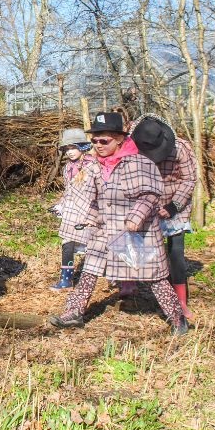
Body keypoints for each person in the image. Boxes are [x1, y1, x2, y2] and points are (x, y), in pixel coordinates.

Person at [48, 112, 188, 335]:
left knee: (155, 278)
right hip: (105, 230)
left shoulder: (138, 163)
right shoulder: (95, 166)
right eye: (95, 140)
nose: (99, 145)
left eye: (104, 140)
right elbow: (93, 197)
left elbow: (150, 195)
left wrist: (135, 217)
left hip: (137, 233)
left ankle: (177, 318)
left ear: (120, 139)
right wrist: (89, 219)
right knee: (89, 271)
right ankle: (73, 313)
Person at [131, 115, 196, 320]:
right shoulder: (136, 145)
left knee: (176, 252)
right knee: (153, 253)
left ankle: (181, 301)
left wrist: (173, 206)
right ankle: (161, 294)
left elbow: (190, 179)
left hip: (176, 202)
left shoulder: (181, 149)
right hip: (150, 203)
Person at [49, 128, 96, 291]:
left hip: (89, 211)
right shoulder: (67, 168)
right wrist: (60, 205)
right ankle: (66, 279)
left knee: (94, 246)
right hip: (70, 211)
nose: (70, 152)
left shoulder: (92, 165)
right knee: (67, 243)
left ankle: (102, 277)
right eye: (67, 149)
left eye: (73, 147)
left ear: (82, 146)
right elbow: (67, 190)